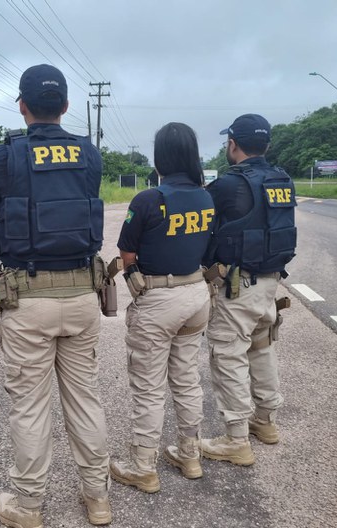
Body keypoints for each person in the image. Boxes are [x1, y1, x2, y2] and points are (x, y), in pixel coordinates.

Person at [0, 64, 111, 528]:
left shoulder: (2, 157)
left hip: (27, 299)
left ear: (22, 106)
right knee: (85, 398)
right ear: (67, 106)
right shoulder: (90, 154)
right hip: (83, 295)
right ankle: (97, 497)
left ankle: (29, 508)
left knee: (30, 407)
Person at [110, 122, 215, 493]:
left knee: (148, 388)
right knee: (186, 379)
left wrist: (135, 281)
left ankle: (142, 467)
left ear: (160, 158)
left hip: (159, 299)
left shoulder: (148, 199)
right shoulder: (206, 198)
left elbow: (127, 254)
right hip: (196, 295)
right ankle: (190, 455)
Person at [200, 113, 297, 466]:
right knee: (262, 347)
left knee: (228, 354)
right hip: (271, 280)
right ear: (267, 144)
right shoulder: (282, 180)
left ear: (232, 144)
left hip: (238, 286)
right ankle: (265, 421)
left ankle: (236, 439)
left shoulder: (228, 185)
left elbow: (203, 226)